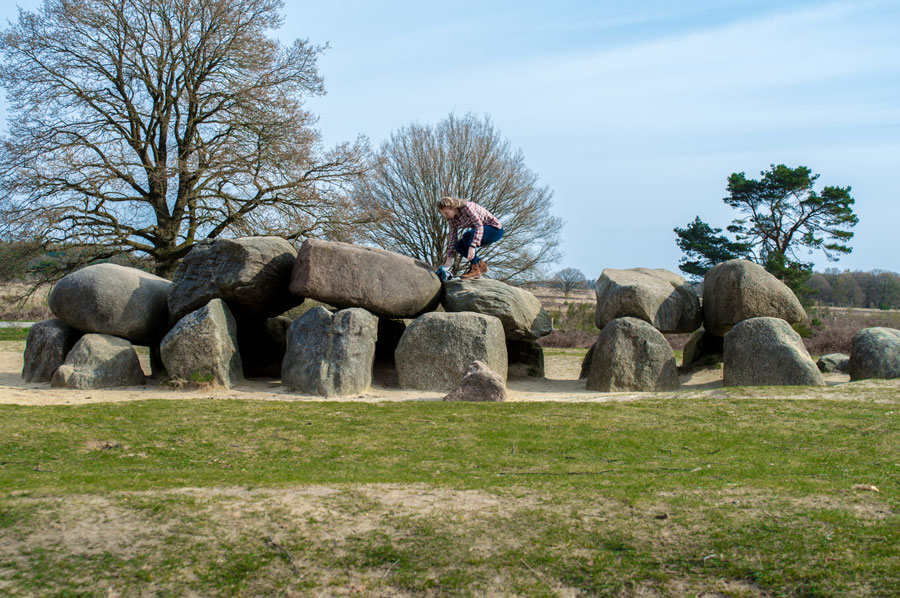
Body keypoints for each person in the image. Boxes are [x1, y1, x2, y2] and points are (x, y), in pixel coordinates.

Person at [435, 196, 504, 280]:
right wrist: (448, 262)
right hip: (480, 232)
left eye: (446, 213)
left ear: (452, 207)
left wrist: (473, 245)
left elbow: (479, 226)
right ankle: (480, 266)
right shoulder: (451, 219)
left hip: (495, 230)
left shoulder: (467, 207)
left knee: (467, 236)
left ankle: (475, 268)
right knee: (458, 245)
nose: (446, 216)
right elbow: (453, 238)